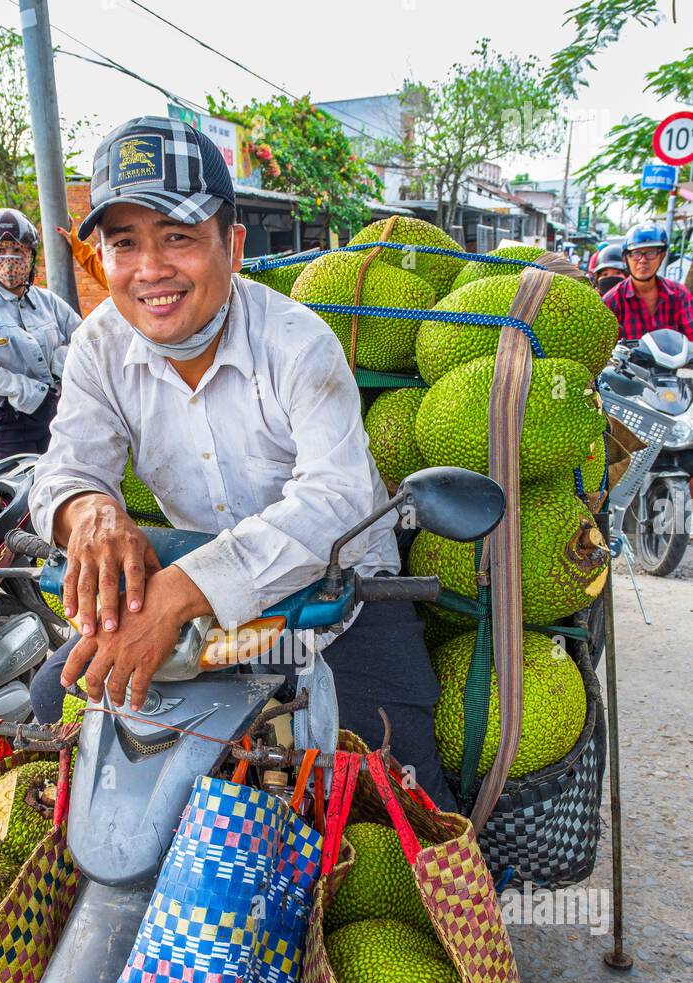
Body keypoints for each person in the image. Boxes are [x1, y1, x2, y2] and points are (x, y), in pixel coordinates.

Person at [27, 116, 453, 808]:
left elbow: (336, 503)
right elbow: (67, 464)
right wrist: (91, 512)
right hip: (207, 624)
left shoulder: (297, 343)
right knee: (52, 707)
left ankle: (459, 902)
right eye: (124, 243)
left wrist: (177, 592)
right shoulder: (97, 346)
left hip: (332, 607)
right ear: (100, 258)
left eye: (178, 238)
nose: (151, 270)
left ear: (233, 243)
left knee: (405, 781)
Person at [0, 208, 81, 460]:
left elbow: (84, 340)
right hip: (9, 415)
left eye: (18, 251)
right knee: (18, 485)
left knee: (61, 479)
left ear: (31, 256)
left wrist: (58, 363)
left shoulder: (49, 302)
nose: (9, 260)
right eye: (0, 252)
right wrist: (24, 389)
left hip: (58, 408)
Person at [603, 223, 693, 340]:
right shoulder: (611, 301)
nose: (643, 260)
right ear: (626, 258)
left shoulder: (680, 294)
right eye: (636, 253)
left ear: (662, 256)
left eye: (651, 252)